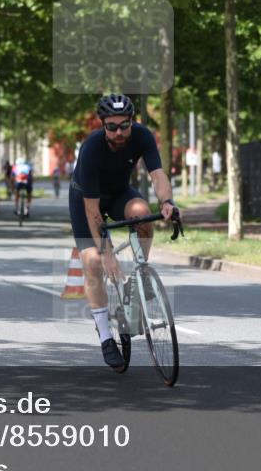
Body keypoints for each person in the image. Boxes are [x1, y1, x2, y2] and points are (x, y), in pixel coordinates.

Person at [69, 94, 179, 371]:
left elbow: (157, 174)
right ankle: (106, 337)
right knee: (93, 260)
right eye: (112, 126)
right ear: (102, 124)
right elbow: (94, 211)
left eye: (124, 125)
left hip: (119, 193)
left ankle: (139, 273)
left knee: (142, 211)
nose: (119, 132)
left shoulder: (142, 135)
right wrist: (106, 253)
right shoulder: (91, 149)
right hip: (86, 199)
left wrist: (167, 202)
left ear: (132, 122)